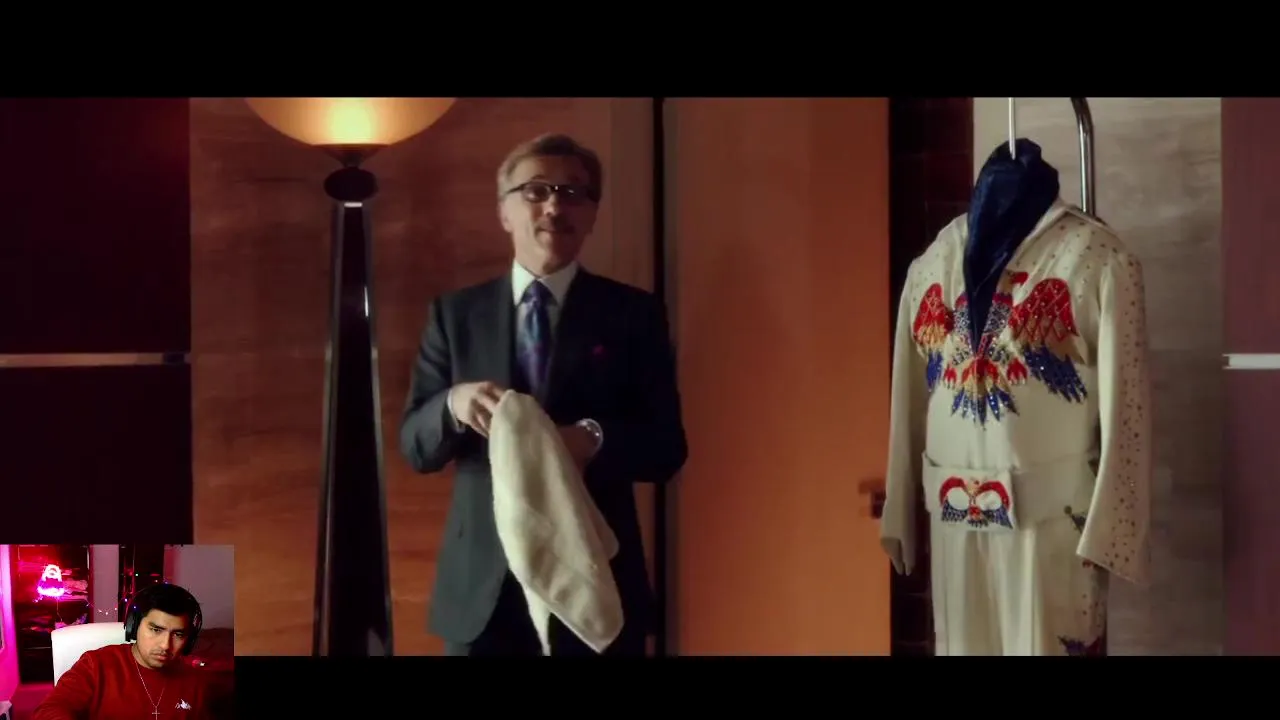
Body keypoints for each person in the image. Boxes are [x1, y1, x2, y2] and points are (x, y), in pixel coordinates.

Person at [399, 132, 688, 656]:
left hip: (594, 581)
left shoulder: (633, 314)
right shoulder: (456, 315)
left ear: (593, 214)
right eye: (536, 191)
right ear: (504, 212)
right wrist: (453, 405)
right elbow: (415, 447)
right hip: (481, 592)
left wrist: (592, 439)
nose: (555, 206)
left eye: (573, 193)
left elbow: (666, 447)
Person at [34, 582, 218, 719]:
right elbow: (48, 711)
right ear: (133, 627)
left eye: (178, 634)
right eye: (156, 630)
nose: (165, 645)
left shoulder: (195, 681)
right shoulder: (95, 665)